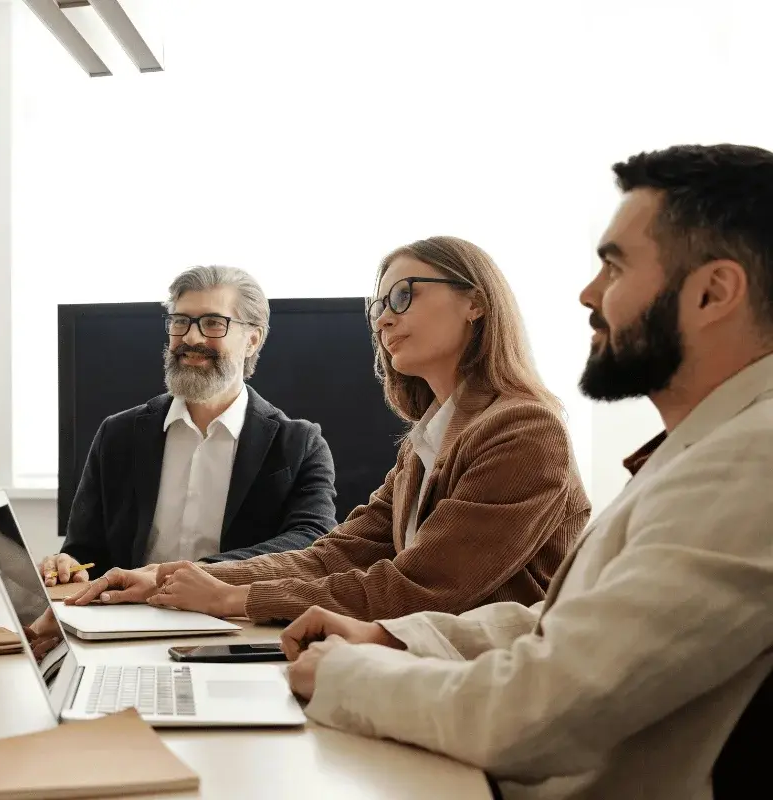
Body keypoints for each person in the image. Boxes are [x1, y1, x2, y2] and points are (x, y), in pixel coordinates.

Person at [278, 144, 773, 799]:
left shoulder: (751, 461)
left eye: (614, 268)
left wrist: (347, 676)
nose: (587, 293)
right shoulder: (710, 445)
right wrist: (391, 637)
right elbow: (566, 624)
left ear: (714, 292)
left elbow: (536, 709)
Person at [66, 237, 589, 625]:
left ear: (475, 301)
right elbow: (337, 553)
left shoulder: (524, 430)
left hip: (496, 688)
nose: (383, 320)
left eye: (403, 296)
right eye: (379, 306)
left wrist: (235, 598)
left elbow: (423, 586)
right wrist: (167, 578)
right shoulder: (425, 441)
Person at [38, 265, 338, 585]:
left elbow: (313, 540)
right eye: (180, 321)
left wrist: (188, 575)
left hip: (236, 624)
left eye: (212, 323)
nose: (190, 337)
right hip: (128, 620)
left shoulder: (300, 444)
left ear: (252, 339)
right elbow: (85, 553)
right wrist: (68, 565)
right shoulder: (118, 434)